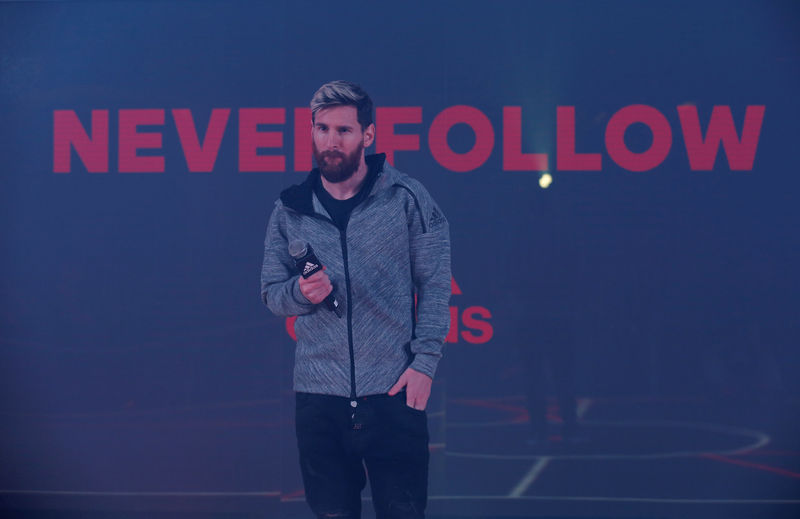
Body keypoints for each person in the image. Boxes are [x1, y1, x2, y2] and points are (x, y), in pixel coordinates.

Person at [261, 80, 451, 518]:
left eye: (344, 131)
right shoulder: (290, 209)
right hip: (318, 400)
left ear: (368, 136)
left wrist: (424, 364)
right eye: (322, 129)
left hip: (393, 394)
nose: (331, 141)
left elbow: (436, 283)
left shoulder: (407, 198)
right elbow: (272, 293)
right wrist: (301, 293)